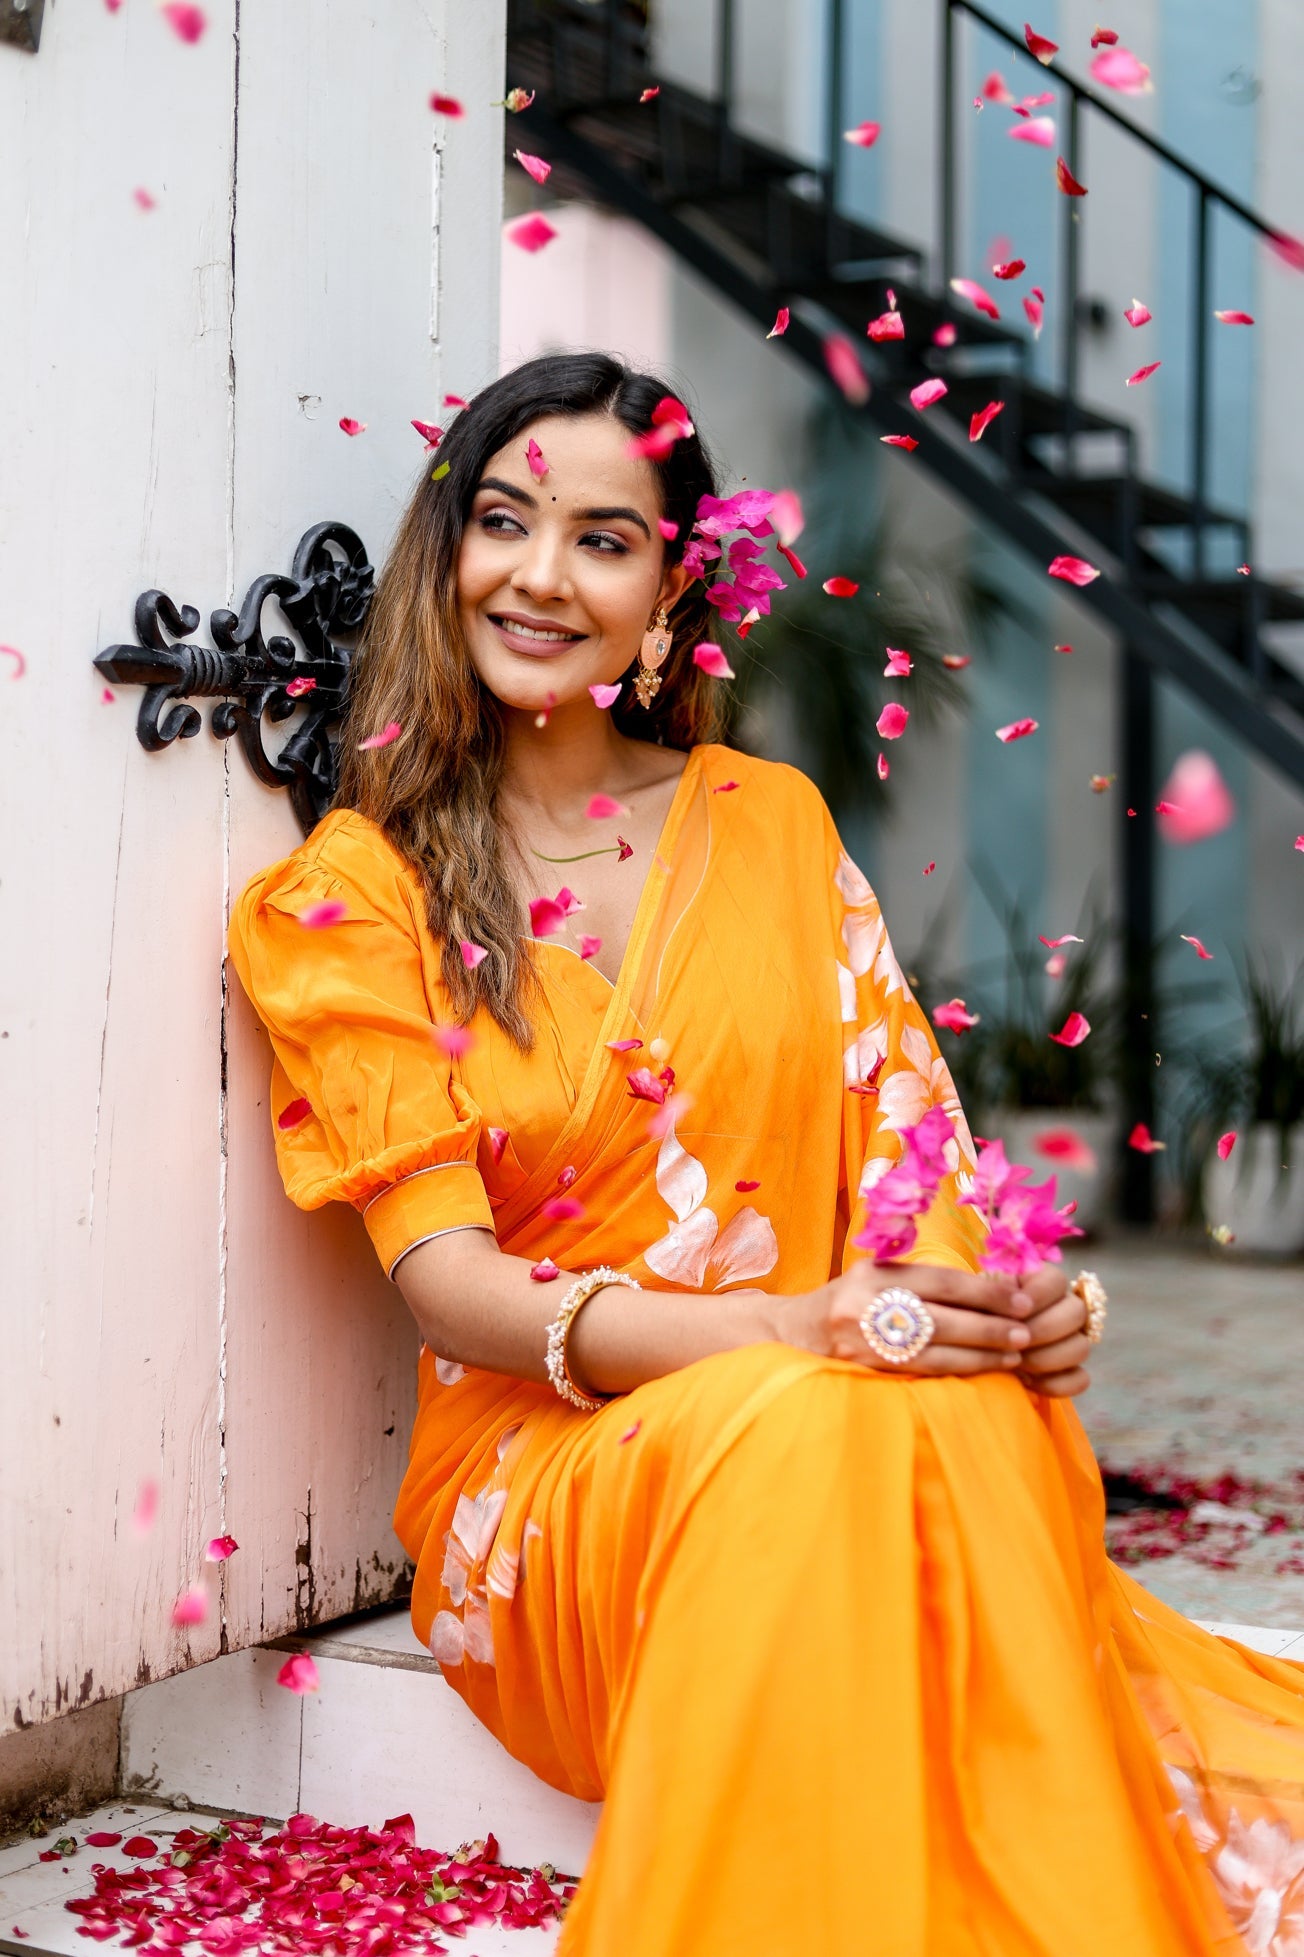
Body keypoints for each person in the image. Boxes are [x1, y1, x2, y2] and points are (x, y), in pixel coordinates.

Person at [228, 352, 1304, 1956]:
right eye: (503, 520)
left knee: (937, 1415)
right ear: (441, 553)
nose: (539, 573)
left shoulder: (773, 827)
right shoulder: (352, 892)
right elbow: (448, 1285)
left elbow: (920, 1173)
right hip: (551, 1495)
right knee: (816, 1422)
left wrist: (1014, 1307)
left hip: (834, 1408)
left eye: (603, 536)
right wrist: (786, 1331)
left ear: (669, 590)